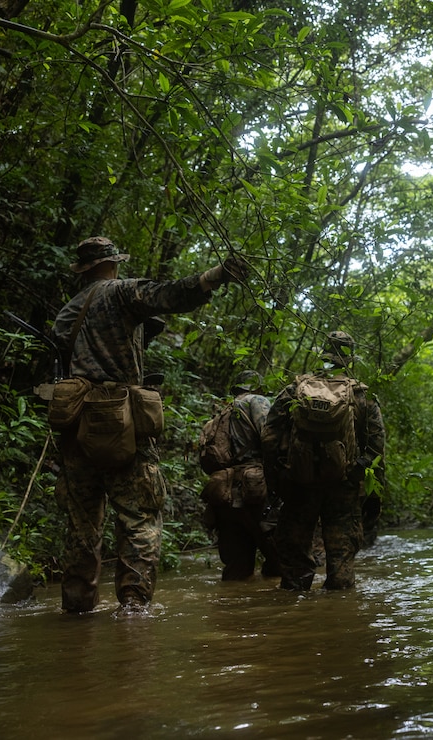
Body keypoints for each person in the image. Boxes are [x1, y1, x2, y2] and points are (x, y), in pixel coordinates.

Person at [51, 235, 247, 615]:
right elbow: (172, 295)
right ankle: (134, 609)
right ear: (112, 264)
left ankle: (77, 612)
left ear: (82, 269)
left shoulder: (66, 312)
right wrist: (217, 274)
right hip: (122, 425)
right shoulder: (121, 292)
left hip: (76, 430)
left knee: (81, 528)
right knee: (139, 518)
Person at [262, 330, 386, 591]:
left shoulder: (295, 390)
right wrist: (373, 495)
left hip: (298, 484)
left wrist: (277, 480)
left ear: (322, 355)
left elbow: (269, 438)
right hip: (344, 487)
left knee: (294, 568)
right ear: (350, 359)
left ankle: (293, 619)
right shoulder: (363, 396)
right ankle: (338, 621)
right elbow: (376, 449)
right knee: (341, 566)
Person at [200, 370, 283, 581]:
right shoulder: (257, 401)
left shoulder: (220, 413)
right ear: (256, 387)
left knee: (236, 570)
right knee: (282, 563)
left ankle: (233, 609)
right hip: (255, 490)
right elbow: (271, 438)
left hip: (223, 496)